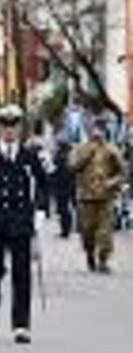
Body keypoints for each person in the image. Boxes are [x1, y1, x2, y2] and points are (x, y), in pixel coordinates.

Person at [0, 104, 48, 344]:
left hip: (20, 219)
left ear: (20, 128)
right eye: (5, 125)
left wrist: (40, 210)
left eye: (14, 125)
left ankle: (21, 325)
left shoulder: (30, 155)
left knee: (22, 273)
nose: (9, 130)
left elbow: (44, 184)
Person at [69, 117, 124, 274]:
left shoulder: (112, 149)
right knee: (87, 231)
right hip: (86, 197)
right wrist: (87, 153)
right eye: (94, 128)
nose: (97, 132)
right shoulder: (81, 148)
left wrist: (112, 183)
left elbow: (122, 172)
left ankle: (103, 260)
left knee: (105, 231)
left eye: (100, 128)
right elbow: (72, 166)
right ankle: (90, 254)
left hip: (105, 197)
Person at [50, 137, 76, 239]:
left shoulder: (59, 157)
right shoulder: (71, 157)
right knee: (71, 207)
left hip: (61, 187)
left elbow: (53, 171)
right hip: (71, 185)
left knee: (63, 209)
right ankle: (69, 228)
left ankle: (65, 230)